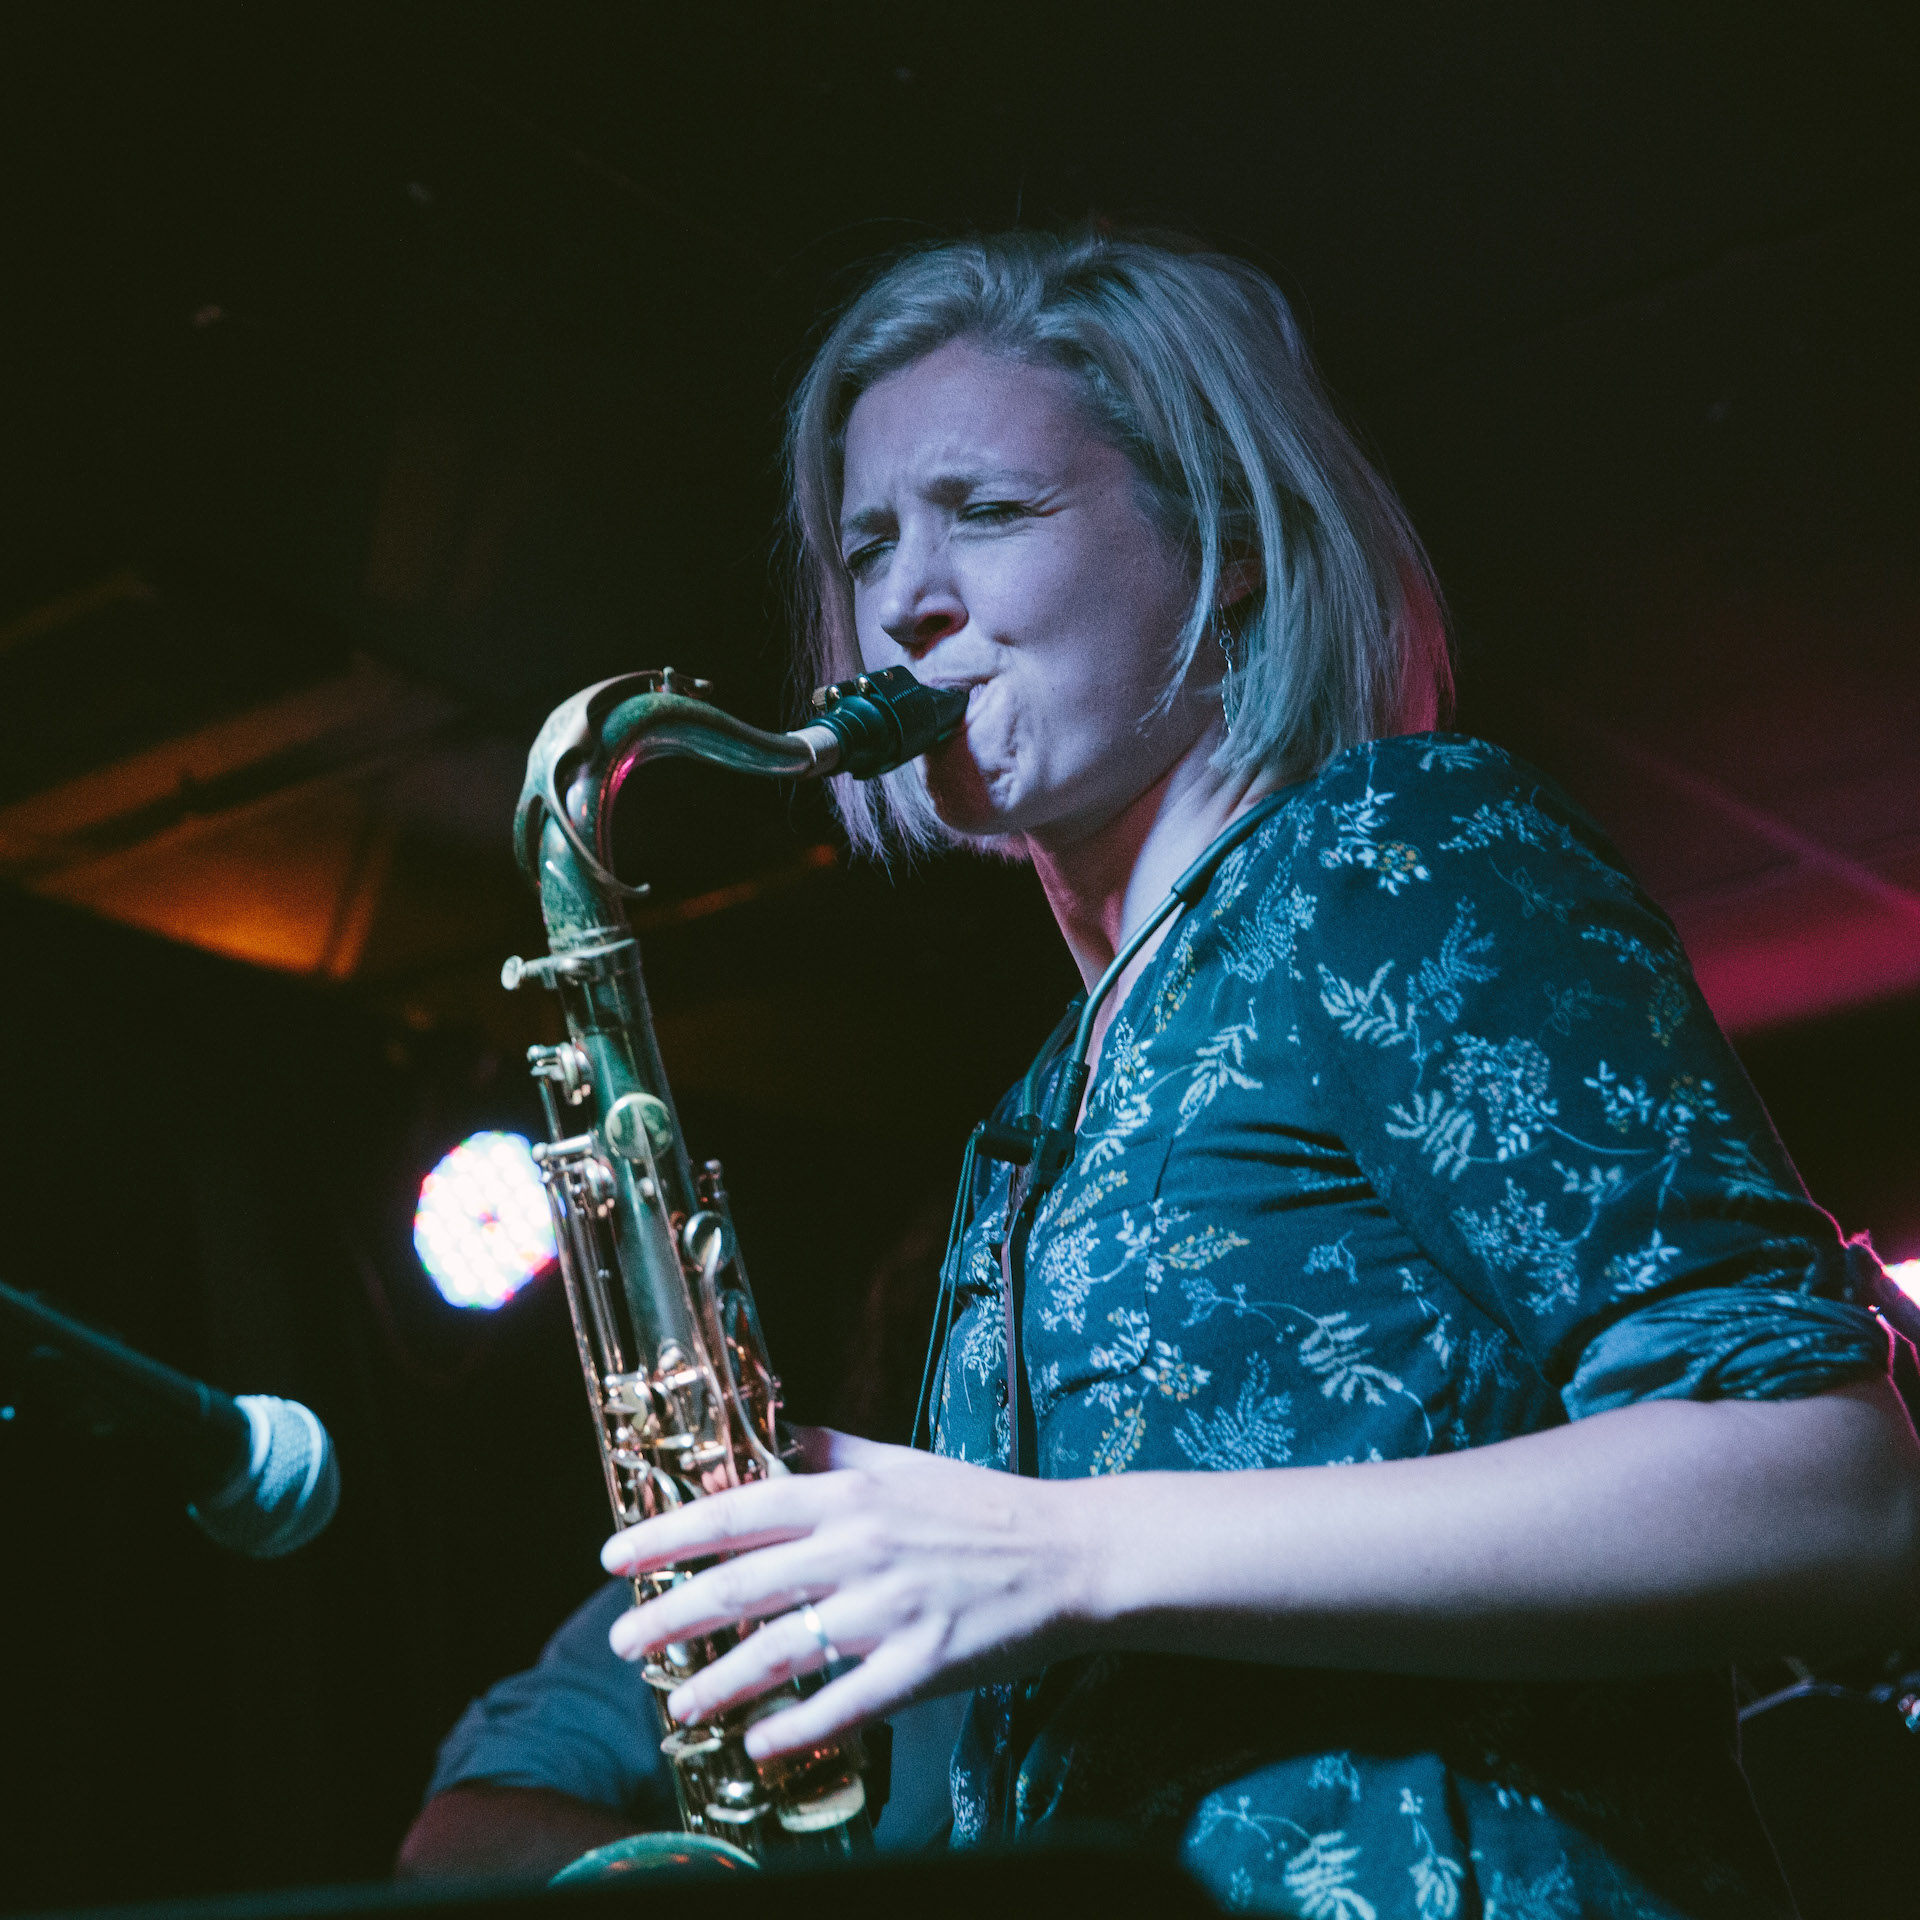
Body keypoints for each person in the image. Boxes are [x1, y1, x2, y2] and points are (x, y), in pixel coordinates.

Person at [590, 228, 1920, 1917]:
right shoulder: (1052, 1096)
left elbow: (1834, 1485)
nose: (901, 598)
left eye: (987, 511)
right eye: (865, 543)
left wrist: (1053, 1551)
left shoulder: (1394, 852)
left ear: (1221, 547)